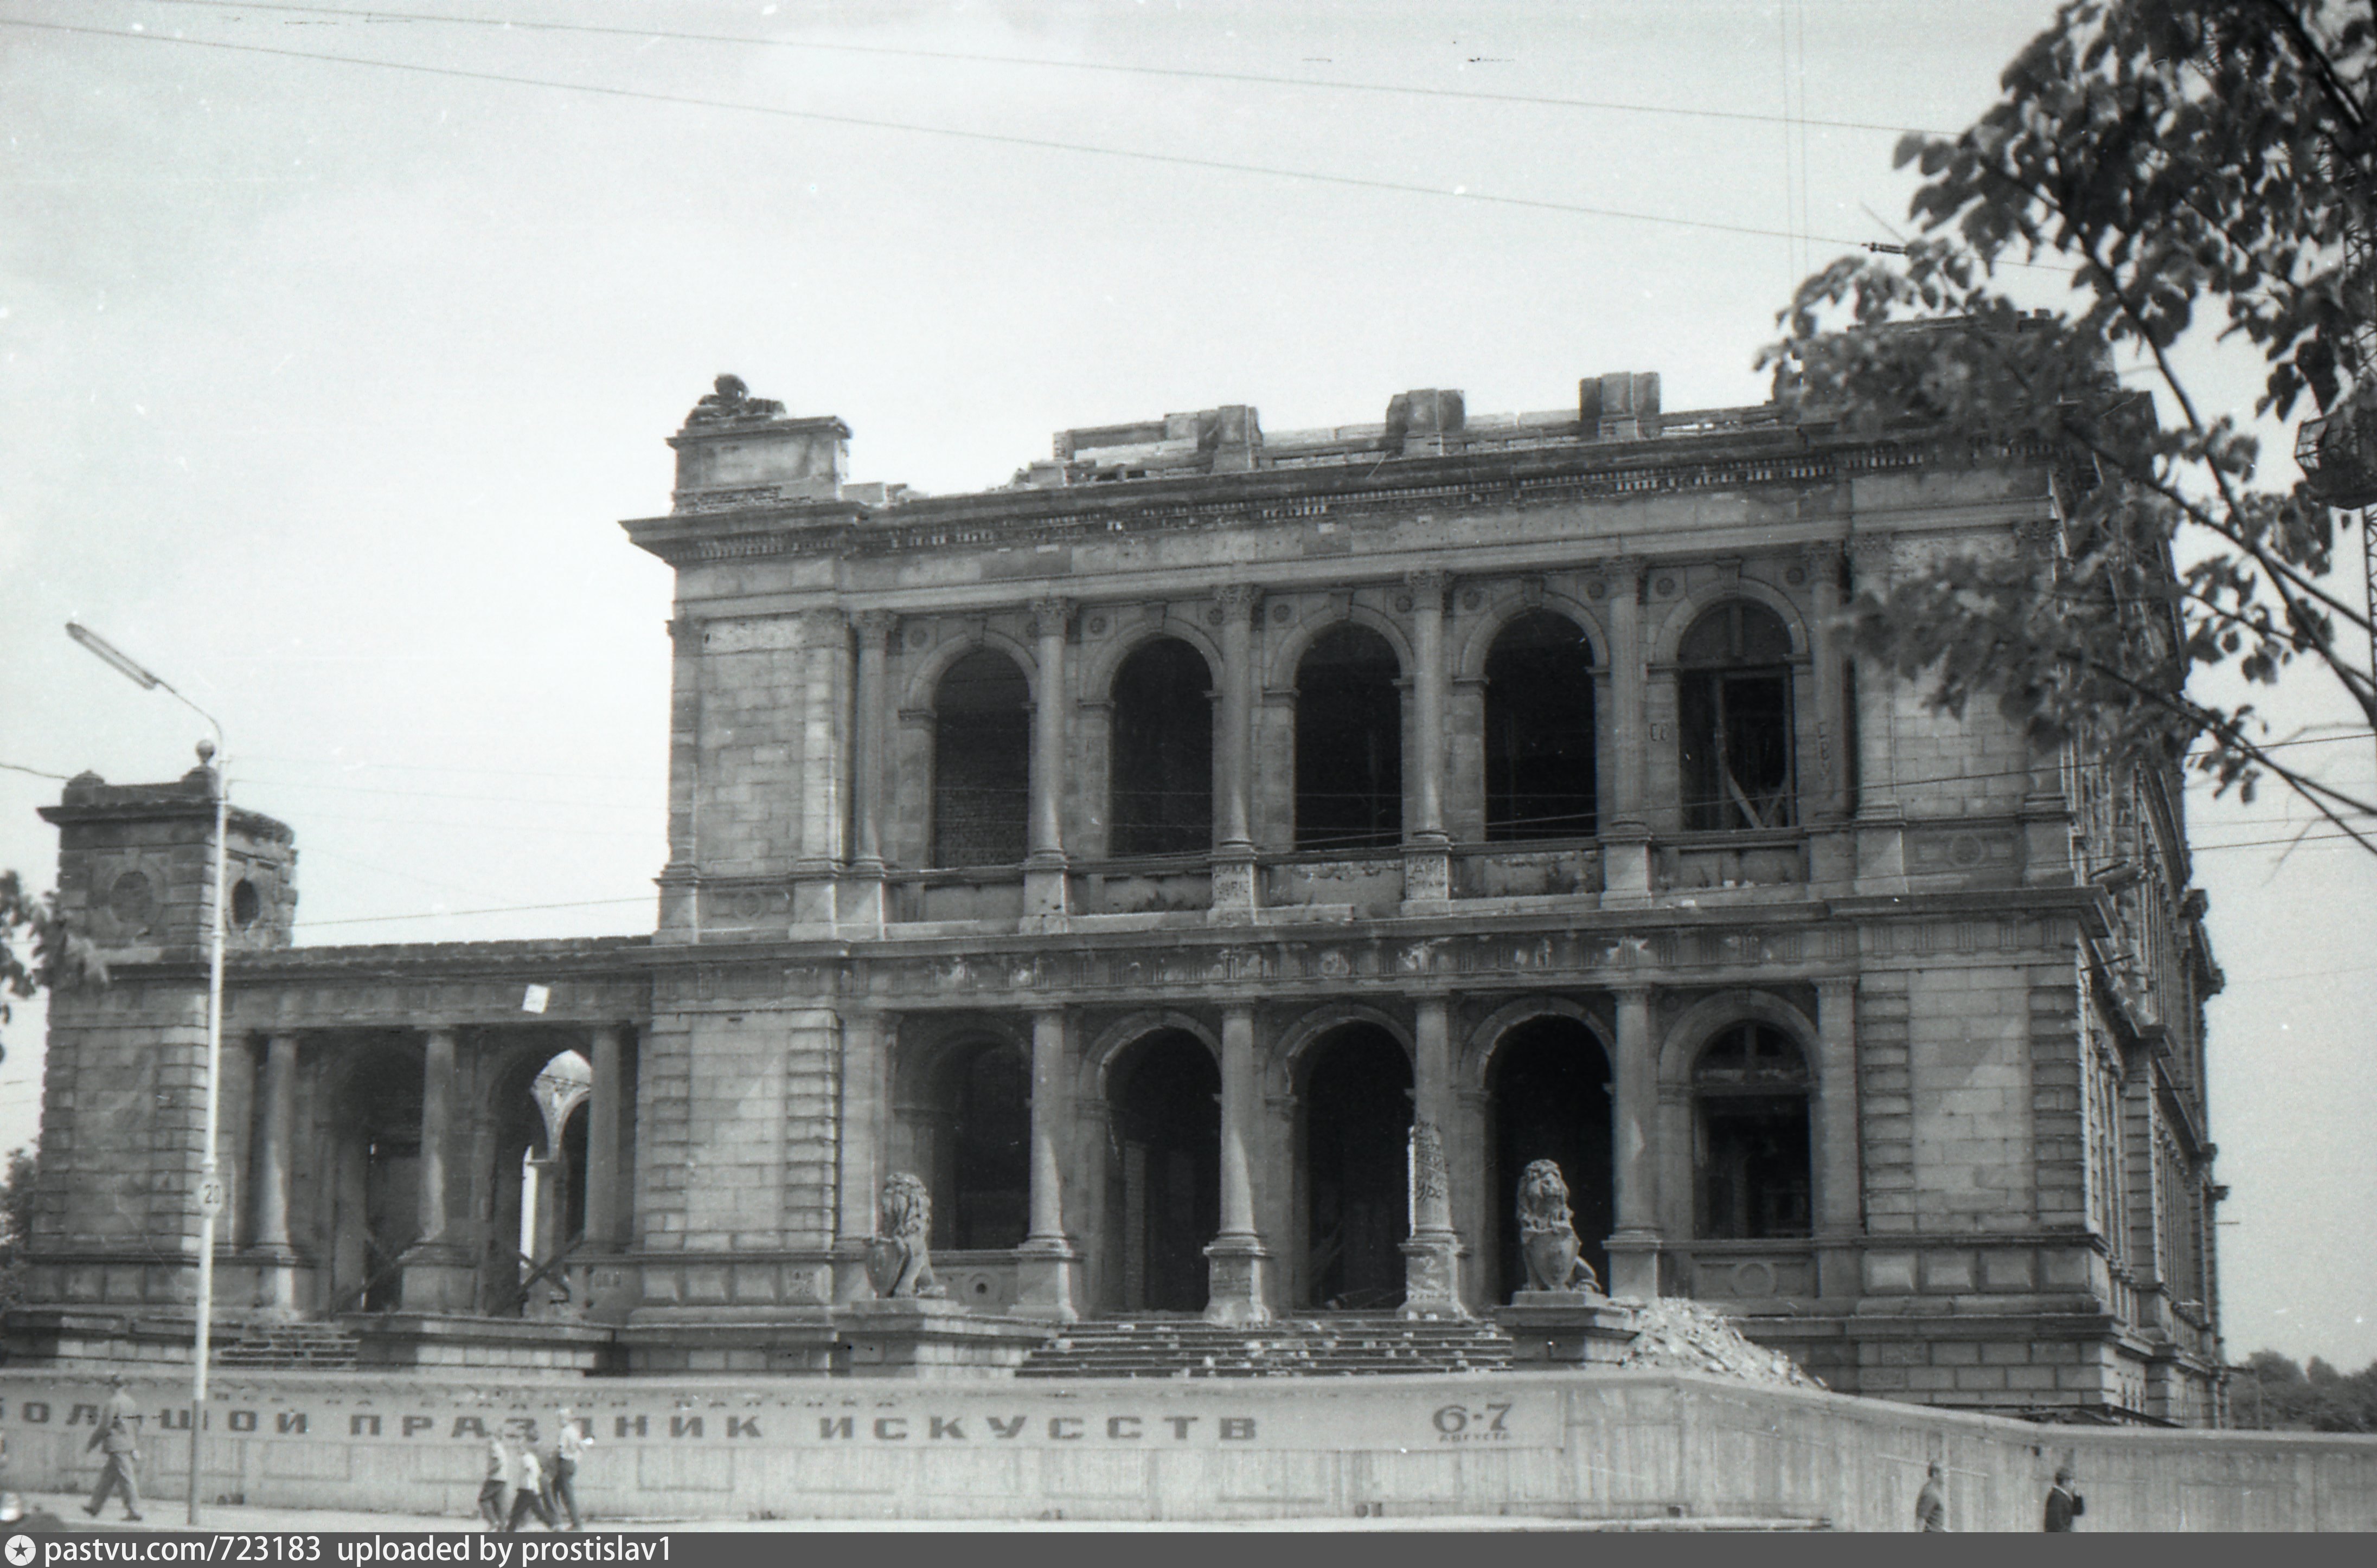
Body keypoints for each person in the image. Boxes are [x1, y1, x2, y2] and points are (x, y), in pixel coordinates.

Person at [82, 1374, 143, 1522]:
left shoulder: (112, 1403)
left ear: (112, 1386)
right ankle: (95, 1507)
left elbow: (104, 1426)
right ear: (124, 1386)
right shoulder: (131, 1403)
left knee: (126, 1478)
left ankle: (134, 1511)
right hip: (127, 1444)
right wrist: (134, 1445)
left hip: (116, 1445)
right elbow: (136, 1426)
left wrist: (91, 1444)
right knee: (107, 1478)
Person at [546, 1407, 592, 1531]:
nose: (559, 1421)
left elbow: (560, 1449)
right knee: (559, 1492)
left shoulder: (565, 1432)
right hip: (571, 1464)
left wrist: (550, 1459)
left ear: (566, 1419)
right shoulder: (575, 1431)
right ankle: (561, 1522)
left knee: (562, 1494)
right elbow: (582, 1447)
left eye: (560, 1418)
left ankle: (567, 1523)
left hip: (564, 1464)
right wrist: (576, 1460)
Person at [505, 1434, 555, 1531]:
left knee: (518, 1511)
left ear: (525, 1448)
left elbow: (531, 1471)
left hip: (527, 1489)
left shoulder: (527, 1458)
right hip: (528, 1489)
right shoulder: (531, 1458)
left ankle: (510, 1529)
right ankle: (552, 1525)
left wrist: (532, 1484)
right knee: (535, 1511)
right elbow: (538, 1472)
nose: (518, 1449)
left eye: (520, 1447)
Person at [477, 1432, 511, 1531]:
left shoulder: (494, 1447)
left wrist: (490, 1472)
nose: (488, 1440)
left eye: (490, 1437)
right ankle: (502, 1530)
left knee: (483, 1500)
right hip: (503, 1479)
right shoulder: (502, 1448)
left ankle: (493, 1521)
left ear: (495, 1437)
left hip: (494, 1478)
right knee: (499, 1506)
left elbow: (498, 1462)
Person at [2043, 1466, 2085, 1532]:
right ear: (2065, 1482)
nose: (2074, 1484)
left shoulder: (2062, 1496)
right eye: (2073, 1481)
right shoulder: (2057, 1497)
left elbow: (2078, 1511)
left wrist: (2076, 1496)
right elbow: (2056, 1523)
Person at [1914, 1462, 1947, 1532]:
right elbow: (1921, 1520)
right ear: (1935, 1474)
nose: (1945, 1476)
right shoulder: (1930, 1493)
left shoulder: (1935, 1492)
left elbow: (1934, 1523)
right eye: (1943, 1473)